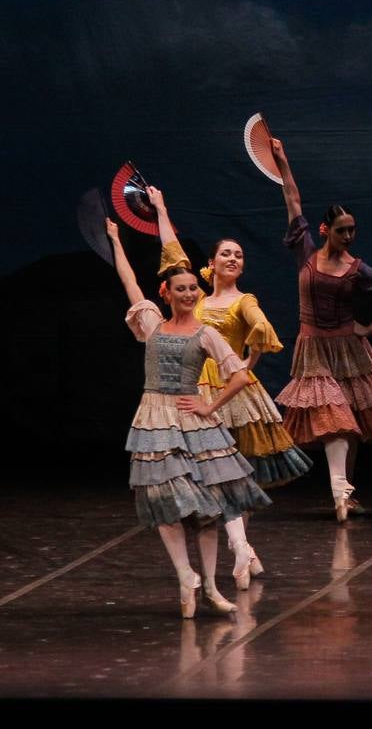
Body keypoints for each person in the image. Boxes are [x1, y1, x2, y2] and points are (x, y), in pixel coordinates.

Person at [106, 217, 270, 617]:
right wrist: (116, 241)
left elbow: (238, 375)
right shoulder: (151, 324)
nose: (187, 293)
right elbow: (129, 282)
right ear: (167, 294)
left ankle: (212, 586)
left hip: (193, 418)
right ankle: (185, 575)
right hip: (155, 420)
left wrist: (209, 406)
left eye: (192, 288)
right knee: (162, 501)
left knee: (210, 509)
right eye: (180, 289)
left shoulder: (205, 334)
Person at [270, 137, 372, 521]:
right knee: (336, 419)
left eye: (352, 230)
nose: (349, 237)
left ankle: (345, 494)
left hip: (348, 351)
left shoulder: (357, 268)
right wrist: (284, 163)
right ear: (325, 229)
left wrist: (369, 329)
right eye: (342, 231)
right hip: (314, 349)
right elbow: (293, 201)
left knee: (349, 426)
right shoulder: (304, 251)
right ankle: (341, 492)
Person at [149, 188, 312, 493]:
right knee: (197, 462)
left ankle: (238, 538)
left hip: (227, 385)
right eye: (226, 253)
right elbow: (174, 254)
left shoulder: (243, 300)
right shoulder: (195, 296)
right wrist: (160, 208)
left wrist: (250, 360)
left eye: (239, 255)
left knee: (236, 463)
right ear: (212, 262)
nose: (233, 258)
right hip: (192, 383)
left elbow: (260, 324)